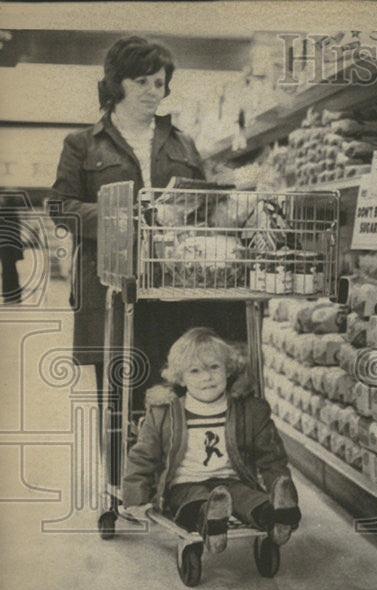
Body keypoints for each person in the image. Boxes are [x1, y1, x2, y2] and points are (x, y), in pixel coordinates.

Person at [49, 36, 244, 483]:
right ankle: (125, 485)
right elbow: (60, 206)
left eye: (160, 82)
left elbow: (203, 204)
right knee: (123, 392)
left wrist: (217, 202)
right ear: (117, 83)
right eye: (142, 81)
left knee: (181, 384)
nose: (154, 91)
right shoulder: (82, 144)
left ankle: (183, 483)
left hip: (175, 286)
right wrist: (121, 216)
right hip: (113, 289)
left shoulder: (183, 141)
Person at [122, 327, 301, 552]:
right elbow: (143, 456)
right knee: (193, 504)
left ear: (228, 370)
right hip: (184, 484)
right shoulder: (165, 413)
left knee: (249, 499)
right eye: (195, 371)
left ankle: (276, 516)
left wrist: (280, 488)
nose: (206, 377)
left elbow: (271, 456)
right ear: (181, 378)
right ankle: (210, 521)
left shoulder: (249, 411)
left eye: (214, 367)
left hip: (232, 481)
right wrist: (136, 498)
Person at [0, 196, 23, 304]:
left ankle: (10, 295)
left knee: (8, 271)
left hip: (7, 247)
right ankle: (13, 295)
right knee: (10, 270)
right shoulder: (13, 214)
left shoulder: (6, 214)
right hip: (11, 246)